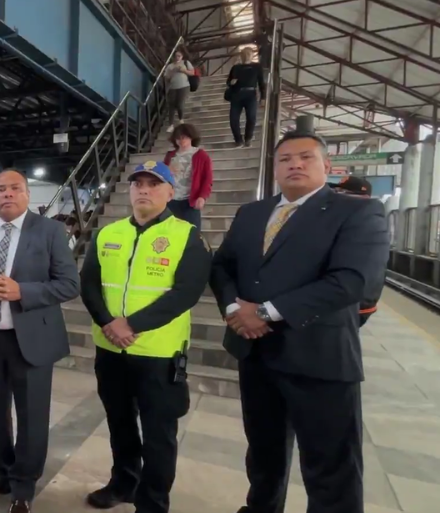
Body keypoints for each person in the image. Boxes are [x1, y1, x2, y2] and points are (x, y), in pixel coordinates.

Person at [209, 132, 388, 513]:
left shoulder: (358, 212)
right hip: (255, 354)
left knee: (329, 464)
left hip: (318, 358)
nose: (295, 164)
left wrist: (264, 311)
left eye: (306, 157)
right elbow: (223, 265)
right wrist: (231, 310)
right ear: (275, 168)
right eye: (285, 158)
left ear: (327, 165)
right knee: (263, 452)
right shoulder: (252, 213)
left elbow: (353, 280)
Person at [80, 160, 211, 513]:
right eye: (138, 183)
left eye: (154, 184)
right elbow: (90, 284)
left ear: (171, 192)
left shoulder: (188, 236)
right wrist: (109, 322)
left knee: (158, 435)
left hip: (158, 354)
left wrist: (130, 325)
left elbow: (185, 293)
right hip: (110, 349)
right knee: (119, 424)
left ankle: (152, 503)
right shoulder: (107, 234)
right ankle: (124, 483)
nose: (144, 189)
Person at [0, 169, 79, 513]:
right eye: (0, 190)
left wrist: (24, 290)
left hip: (31, 338)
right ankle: (1, 475)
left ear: (27, 195)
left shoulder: (50, 230)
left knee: (32, 414)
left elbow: (69, 283)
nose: (7, 194)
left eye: (15, 189)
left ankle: (24, 485)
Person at [330, 176, 384, 324]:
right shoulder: (347, 219)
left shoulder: (369, 222)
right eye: (336, 191)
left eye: (343, 192)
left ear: (363, 197)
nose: (336, 195)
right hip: (347, 302)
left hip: (355, 304)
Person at [163, 123, 213, 229]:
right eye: (178, 138)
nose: (181, 141)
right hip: (171, 201)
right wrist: (166, 171)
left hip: (190, 202)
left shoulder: (201, 155)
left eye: (184, 137)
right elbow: (160, 177)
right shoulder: (170, 155)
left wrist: (202, 197)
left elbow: (207, 179)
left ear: (191, 137)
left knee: (192, 234)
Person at [226, 47, 266, 148]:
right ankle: (238, 140)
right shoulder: (236, 67)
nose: (246, 56)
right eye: (244, 54)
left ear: (252, 55)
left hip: (251, 94)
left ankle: (248, 138)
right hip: (237, 94)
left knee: (251, 117)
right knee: (233, 118)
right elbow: (228, 81)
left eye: (249, 54)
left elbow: (261, 83)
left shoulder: (257, 67)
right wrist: (231, 83)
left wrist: (263, 97)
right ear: (241, 56)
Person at [165, 51, 195, 129]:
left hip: (184, 86)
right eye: (176, 56)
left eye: (179, 56)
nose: (177, 57)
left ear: (182, 57)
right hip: (172, 87)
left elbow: (192, 73)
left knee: (180, 103)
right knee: (171, 105)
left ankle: (181, 119)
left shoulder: (185, 63)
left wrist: (183, 70)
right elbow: (166, 77)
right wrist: (173, 71)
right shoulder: (170, 66)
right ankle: (171, 124)